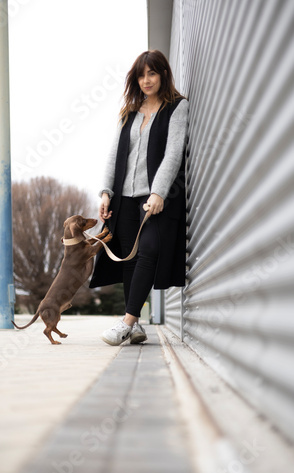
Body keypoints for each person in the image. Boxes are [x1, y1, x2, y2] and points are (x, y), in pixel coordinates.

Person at [89, 49, 188, 346]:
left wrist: (158, 192)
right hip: (125, 198)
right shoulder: (129, 113)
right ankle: (135, 325)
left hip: (155, 198)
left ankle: (126, 322)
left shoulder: (176, 108)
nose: (146, 80)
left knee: (148, 251)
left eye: (152, 73)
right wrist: (106, 192)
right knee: (130, 260)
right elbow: (113, 156)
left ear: (163, 75)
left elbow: (173, 153)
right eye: (141, 75)